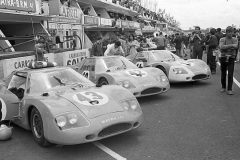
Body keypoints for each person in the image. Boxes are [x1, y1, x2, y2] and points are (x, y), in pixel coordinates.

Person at [219, 26, 238, 95]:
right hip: (223, 57)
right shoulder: (222, 39)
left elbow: (236, 46)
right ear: (226, 32)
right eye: (229, 32)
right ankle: (223, 87)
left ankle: (230, 89)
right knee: (223, 73)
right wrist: (232, 46)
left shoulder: (235, 39)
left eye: (232, 32)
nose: (230, 33)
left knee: (230, 73)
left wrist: (227, 47)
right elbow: (221, 47)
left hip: (231, 58)